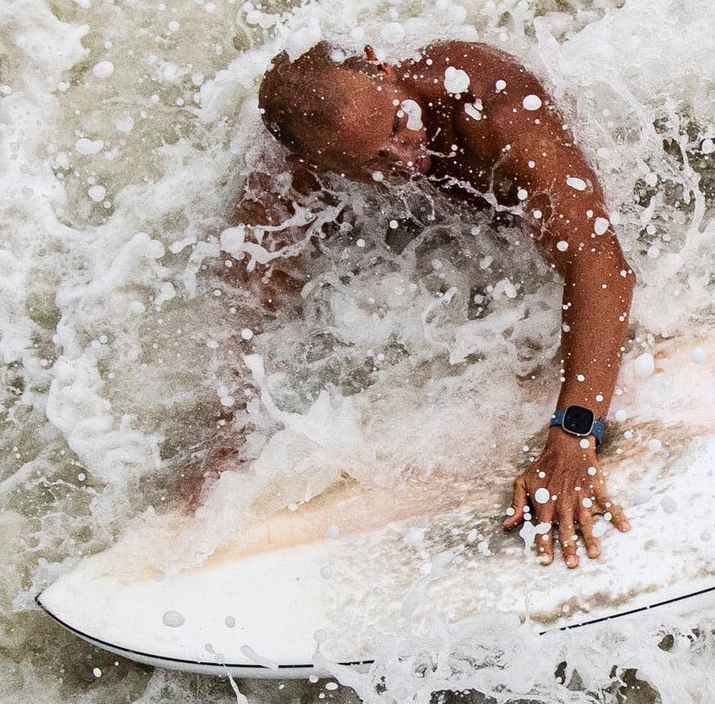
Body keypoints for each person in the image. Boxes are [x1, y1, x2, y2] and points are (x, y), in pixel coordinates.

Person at [213, 40, 634, 566]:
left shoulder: (490, 106)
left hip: (550, 196)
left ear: (385, 68)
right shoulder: (302, 162)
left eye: (396, 125)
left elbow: (600, 261)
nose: (405, 155)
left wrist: (575, 434)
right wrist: (227, 431)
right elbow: (242, 303)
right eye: (374, 161)